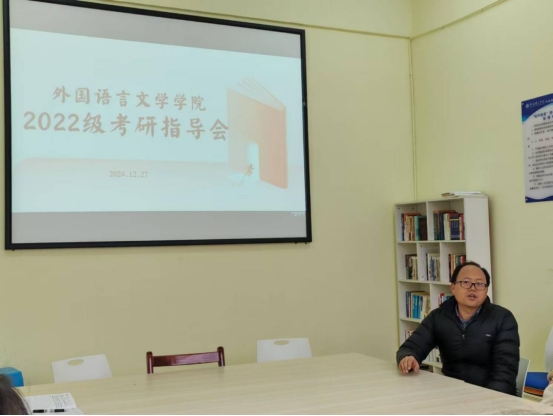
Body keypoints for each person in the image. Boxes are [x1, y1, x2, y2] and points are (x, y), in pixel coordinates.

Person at [397, 261, 520, 395]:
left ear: (486, 290)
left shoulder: (503, 319)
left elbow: (505, 372)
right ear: (453, 287)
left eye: (479, 284)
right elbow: (411, 347)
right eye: (466, 282)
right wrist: (408, 357)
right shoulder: (439, 317)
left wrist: (487, 399)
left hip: (492, 396)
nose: (473, 288)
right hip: (452, 392)